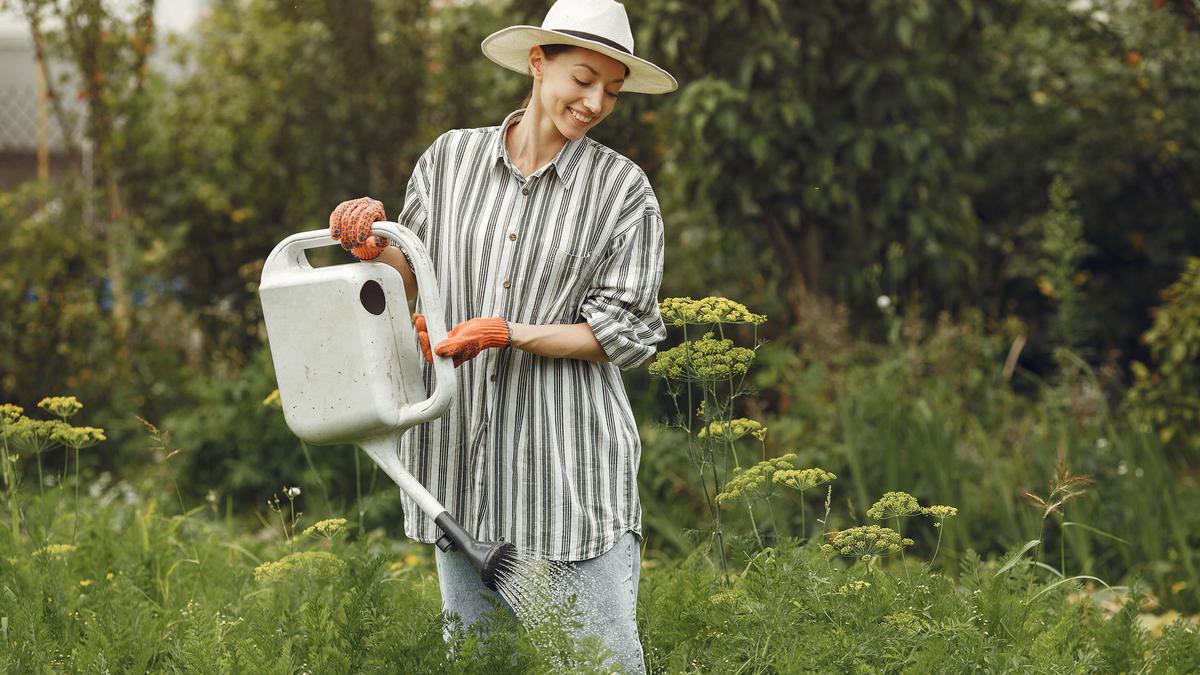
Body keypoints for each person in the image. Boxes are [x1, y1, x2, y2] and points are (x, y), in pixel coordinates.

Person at [328, 1, 676, 671]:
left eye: (612, 87)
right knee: (478, 662)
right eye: (583, 78)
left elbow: (627, 332)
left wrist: (511, 332)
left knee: (600, 662)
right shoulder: (449, 160)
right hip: (459, 458)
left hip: (566, 468)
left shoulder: (622, 191)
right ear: (538, 62)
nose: (596, 100)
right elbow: (414, 276)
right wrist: (374, 243)